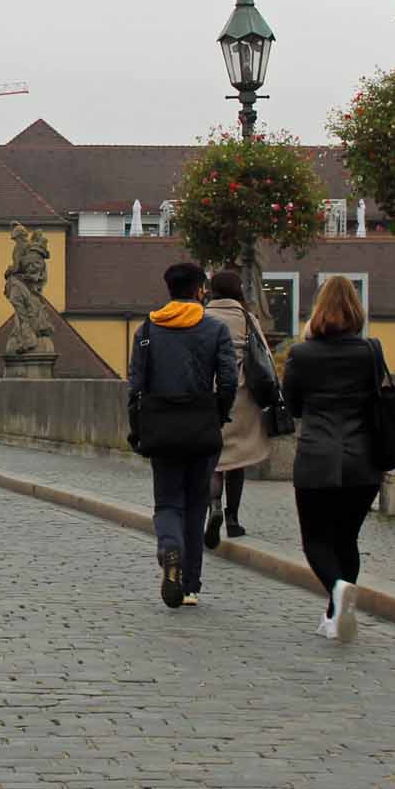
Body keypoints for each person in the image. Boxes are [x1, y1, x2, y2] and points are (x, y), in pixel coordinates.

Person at [128, 261, 237, 610]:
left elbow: (136, 386)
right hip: (202, 425)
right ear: (198, 290)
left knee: (168, 502)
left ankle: (169, 547)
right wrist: (218, 413)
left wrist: (137, 428)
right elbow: (230, 380)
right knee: (196, 504)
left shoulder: (148, 330)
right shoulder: (215, 329)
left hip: (161, 426)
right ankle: (190, 584)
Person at [281, 274, 382, 642]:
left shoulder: (302, 355)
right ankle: (335, 614)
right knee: (346, 539)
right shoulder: (372, 351)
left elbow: (290, 405)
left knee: (315, 541)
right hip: (363, 461)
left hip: (317, 459)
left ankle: (336, 592)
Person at [202, 269, 274, 546]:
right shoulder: (247, 319)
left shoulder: (202, 318)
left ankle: (214, 505)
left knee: (214, 460)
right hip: (241, 396)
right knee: (237, 461)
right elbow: (264, 355)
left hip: (209, 396)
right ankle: (232, 518)